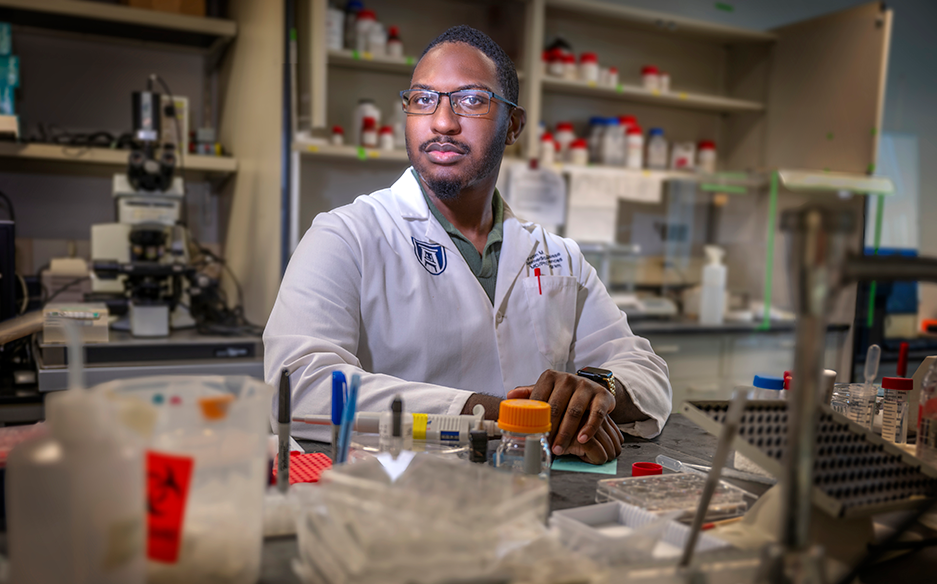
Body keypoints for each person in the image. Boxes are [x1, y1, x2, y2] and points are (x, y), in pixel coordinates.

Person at [264, 25, 671, 464]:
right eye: (422, 99)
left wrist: (598, 391)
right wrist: (508, 416)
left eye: (472, 100)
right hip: (393, 501)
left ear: (512, 125)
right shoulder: (345, 236)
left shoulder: (557, 256)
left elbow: (647, 373)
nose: (442, 122)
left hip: (537, 499)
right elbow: (300, 386)